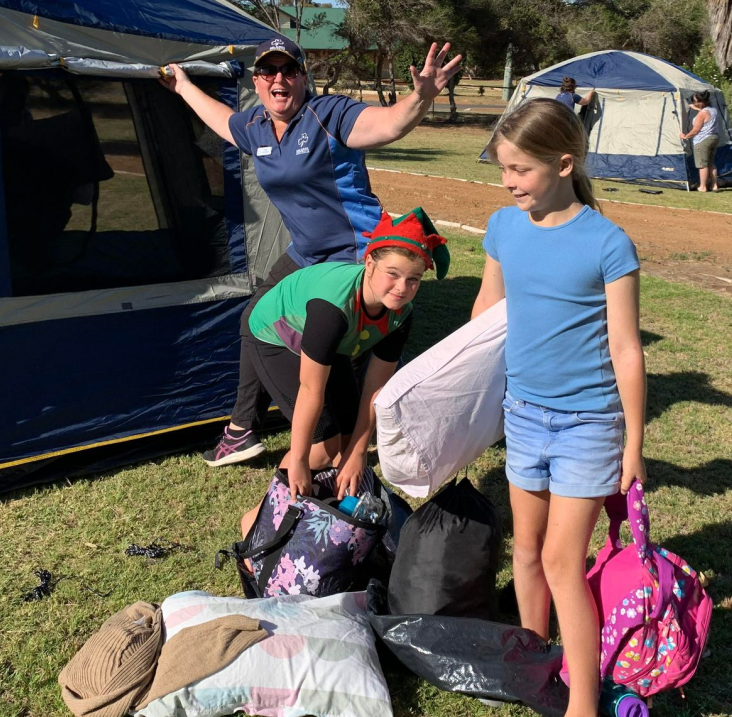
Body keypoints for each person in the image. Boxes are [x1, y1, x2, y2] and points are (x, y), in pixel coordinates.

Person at [159, 35, 462, 466]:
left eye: (289, 70)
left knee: (344, 346)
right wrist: (184, 87)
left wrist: (420, 97)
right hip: (306, 252)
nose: (278, 79)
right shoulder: (256, 126)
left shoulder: (329, 115)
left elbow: (388, 124)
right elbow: (223, 121)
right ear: (257, 81)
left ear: (304, 77)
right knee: (256, 318)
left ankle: (346, 438)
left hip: (356, 253)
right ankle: (244, 430)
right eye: (268, 71)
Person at [470, 98, 645, 717]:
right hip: (523, 416)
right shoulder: (503, 227)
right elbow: (485, 314)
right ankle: (537, 662)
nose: (508, 181)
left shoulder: (608, 244)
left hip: (588, 425)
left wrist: (633, 445)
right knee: (525, 551)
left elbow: (626, 349)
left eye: (520, 169)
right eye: (502, 168)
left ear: (565, 164)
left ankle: (583, 704)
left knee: (560, 562)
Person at [238, 209, 448, 534]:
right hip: (275, 334)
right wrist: (299, 459)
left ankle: (338, 520)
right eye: (393, 274)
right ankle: (256, 525)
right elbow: (311, 390)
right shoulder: (332, 308)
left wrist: (359, 451)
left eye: (414, 279)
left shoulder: (401, 314)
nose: (402, 287)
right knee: (322, 450)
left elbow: (375, 388)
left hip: (332, 343)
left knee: (349, 443)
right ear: (369, 263)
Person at [679, 90, 720, 192]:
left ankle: (703, 187)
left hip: (702, 140)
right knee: (711, 163)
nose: (694, 103)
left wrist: (685, 136)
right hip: (714, 137)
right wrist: (697, 108)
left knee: (702, 165)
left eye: (695, 101)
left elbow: (695, 130)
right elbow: (706, 114)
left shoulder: (702, 114)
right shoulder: (713, 110)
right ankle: (714, 185)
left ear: (700, 102)